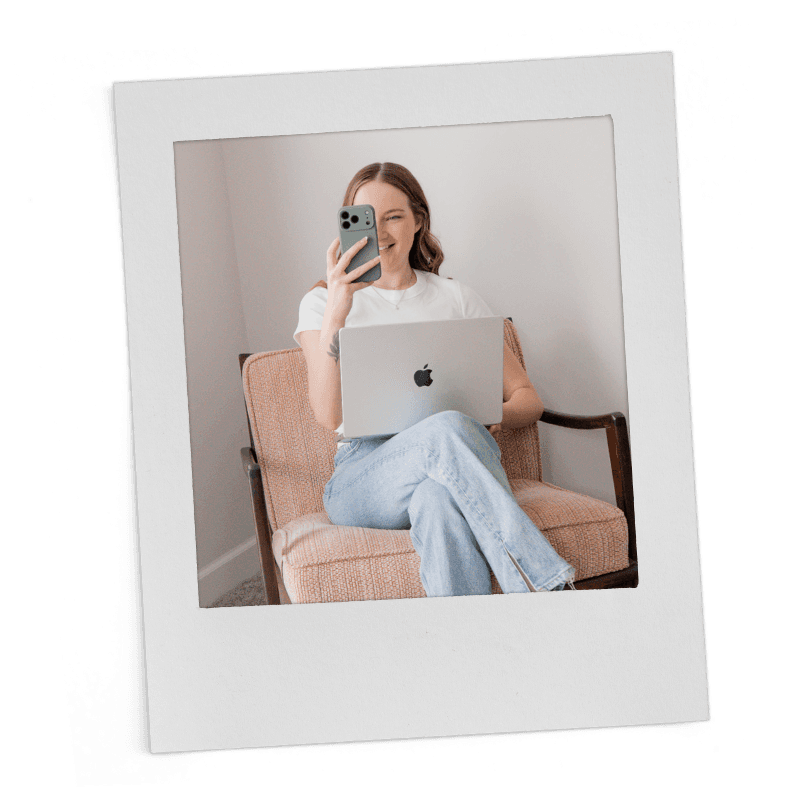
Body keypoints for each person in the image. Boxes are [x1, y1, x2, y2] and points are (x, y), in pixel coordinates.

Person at [294, 162, 575, 597]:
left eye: (394, 216)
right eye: (367, 218)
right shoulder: (321, 304)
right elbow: (327, 414)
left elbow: (528, 400)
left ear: (418, 220)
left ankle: (462, 647)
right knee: (445, 426)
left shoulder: (457, 298)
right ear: (349, 225)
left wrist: (482, 417)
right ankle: (544, 586)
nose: (381, 231)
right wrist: (337, 311)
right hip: (363, 474)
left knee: (438, 499)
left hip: (454, 463)